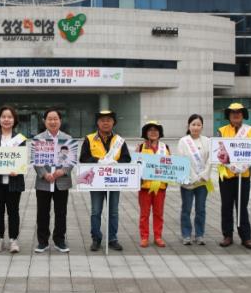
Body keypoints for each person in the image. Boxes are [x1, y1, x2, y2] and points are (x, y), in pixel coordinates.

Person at [79, 110, 131, 251]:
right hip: (96, 181)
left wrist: (116, 163)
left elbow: (126, 158)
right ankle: (96, 239)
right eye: (102, 120)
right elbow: (83, 158)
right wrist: (98, 161)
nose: (105, 123)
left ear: (113, 122)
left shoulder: (119, 140)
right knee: (96, 211)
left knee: (113, 211)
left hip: (114, 180)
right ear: (97, 122)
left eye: (109, 120)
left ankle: (112, 238)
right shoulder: (89, 139)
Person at [0, 105, 26, 253]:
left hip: (14, 181)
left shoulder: (20, 139)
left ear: (14, 120)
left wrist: (18, 169)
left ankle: (13, 240)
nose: (6, 119)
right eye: (4, 117)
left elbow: (22, 159)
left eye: (9, 117)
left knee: (13, 211)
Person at [217, 102, 251, 249]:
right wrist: (231, 166)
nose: (235, 115)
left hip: (244, 175)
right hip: (226, 175)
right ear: (228, 115)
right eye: (232, 112)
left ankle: (246, 237)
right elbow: (217, 152)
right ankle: (227, 235)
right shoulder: (221, 131)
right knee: (226, 206)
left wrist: (244, 166)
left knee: (242, 206)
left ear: (243, 115)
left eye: (238, 112)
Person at [33, 108, 74, 253]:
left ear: (60, 121)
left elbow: (71, 160)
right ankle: (42, 242)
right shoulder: (38, 138)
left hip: (61, 182)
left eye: (55, 119)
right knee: (42, 213)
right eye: (49, 119)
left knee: (61, 212)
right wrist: (44, 174)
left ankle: (59, 240)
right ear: (44, 121)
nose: (53, 122)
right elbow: (36, 161)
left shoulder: (67, 138)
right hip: (43, 182)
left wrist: (62, 171)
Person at [177, 114, 212, 246]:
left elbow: (210, 160)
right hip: (188, 182)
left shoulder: (207, 141)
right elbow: (182, 160)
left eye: (198, 125)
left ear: (202, 127)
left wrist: (203, 175)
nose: (196, 127)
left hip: (203, 182)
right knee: (186, 209)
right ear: (188, 126)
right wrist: (193, 177)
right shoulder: (183, 141)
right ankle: (186, 235)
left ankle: (199, 234)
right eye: (193, 124)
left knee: (200, 209)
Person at [137, 121, 170, 248]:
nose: (153, 132)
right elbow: (136, 165)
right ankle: (144, 237)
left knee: (158, 213)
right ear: (145, 133)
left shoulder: (165, 147)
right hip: (144, 187)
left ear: (159, 133)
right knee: (144, 214)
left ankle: (158, 236)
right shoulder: (141, 147)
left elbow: (170, 165)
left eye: (156, 130)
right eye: (150, 130)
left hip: (160, 187)